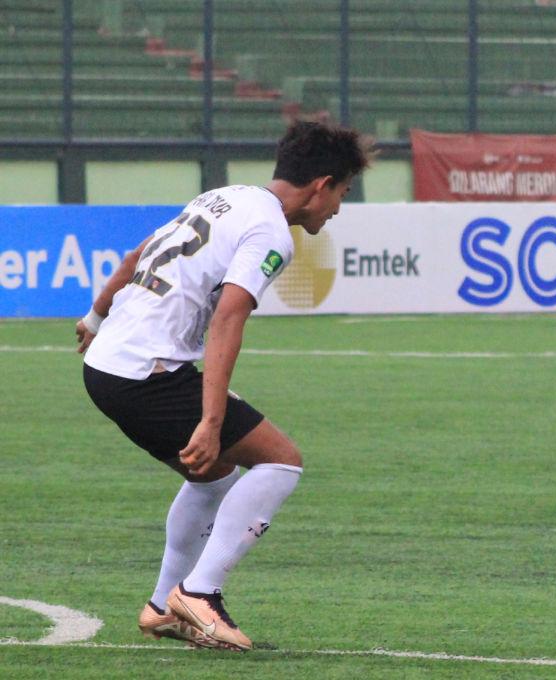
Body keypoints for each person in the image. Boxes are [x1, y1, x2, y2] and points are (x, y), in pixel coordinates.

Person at [76, 121, 372, 651]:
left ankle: (164, 605)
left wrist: (97, 315)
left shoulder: (224, 196)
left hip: (108, 366)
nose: (338, 209)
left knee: (213, 478)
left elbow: (137, 255)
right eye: (343, 194)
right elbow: (228, 320)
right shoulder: (272, 233)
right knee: (281, 460)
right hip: (147, 372)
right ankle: (200, 593)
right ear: (322, 184)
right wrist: (212, 422)